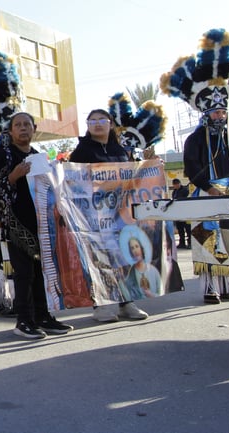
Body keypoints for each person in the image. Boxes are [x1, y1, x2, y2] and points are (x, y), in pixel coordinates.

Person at [162, 28, 229, 304]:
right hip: (204, 194)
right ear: (206, 113)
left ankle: (228, 284)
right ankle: (210, 288)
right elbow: (192, 167)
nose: (221, 115)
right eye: (217, 112)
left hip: (228, 193)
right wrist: (209, 187)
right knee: (207, 241)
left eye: (223, 111)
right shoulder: (195, 138)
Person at [0, 112, 73, 339]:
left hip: (41, 224)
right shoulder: (1, 154)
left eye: (27, 125)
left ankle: (43, 316)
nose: (23, 128)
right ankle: (23, 320)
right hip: (15, 224)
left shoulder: (36, 156)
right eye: (18, 125)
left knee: (41, 272)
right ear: (11, 130)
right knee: (23, 274)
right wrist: (13, 177)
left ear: (34, 129)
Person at [69, 108, 149, 323]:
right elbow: (72, 181)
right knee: (99, 260)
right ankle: (102, 304)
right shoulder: (82, 151)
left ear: (111, 124)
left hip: (120, 214)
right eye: (92, 120)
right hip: (94, 215)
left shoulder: (121, 151)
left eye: (101, 120)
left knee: (123, 256)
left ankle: (127, 302)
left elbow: (132, 178)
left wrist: (150, 165)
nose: (97, 124)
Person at [170, 178, 190, 249]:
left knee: (187, 229)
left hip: (185, 213)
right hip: (178, 213)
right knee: (180, 229)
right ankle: (182, 243)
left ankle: (189, 243)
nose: (175, 186)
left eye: (176, 184)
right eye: (174, 185)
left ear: (179, 183)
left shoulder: (185, 190)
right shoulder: (174, 192)